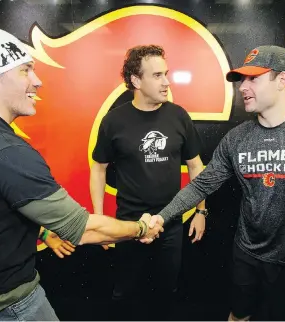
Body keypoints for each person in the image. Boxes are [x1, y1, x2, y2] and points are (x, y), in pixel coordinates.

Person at [0, 25, 163, 321]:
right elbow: (84, 229)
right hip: (4, 307)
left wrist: (43, 230)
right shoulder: (4, 151)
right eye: (26, 70)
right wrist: (141, 228)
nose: (37, 81)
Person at [147, 45, 285, 321]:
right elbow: (202, 185)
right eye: (241, 80)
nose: (243, 87)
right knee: (239, 316)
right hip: (246, 254)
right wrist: (161, 218)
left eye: (253, 79)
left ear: (282, 80)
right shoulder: (237, 138)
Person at [90, 45, 207, 320]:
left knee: (167, 291)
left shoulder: (178, 116)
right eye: (157, 75)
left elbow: (196, 166)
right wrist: (98, 219)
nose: (167, 82)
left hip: (171, 222)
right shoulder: (115, 121)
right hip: (129, 223)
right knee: (125, 292)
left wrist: (201, 210)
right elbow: (98, 168)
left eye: (166, 74)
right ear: (136, 80)